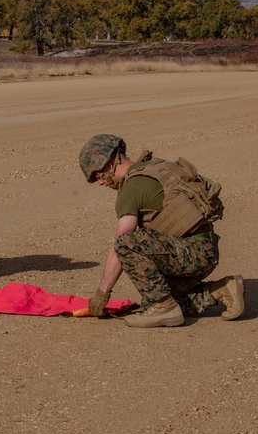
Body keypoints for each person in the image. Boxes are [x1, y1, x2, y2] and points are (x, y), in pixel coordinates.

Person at [78, 134, 244, 328]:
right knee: (155, 298)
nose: (100, 182)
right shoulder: (154, 167)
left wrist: (102, 294)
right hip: (204, 250)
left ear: (108, 164)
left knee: (126, 243)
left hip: (191, 253)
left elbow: (120, 245)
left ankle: (163, 308)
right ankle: (222, 289)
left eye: (97, 175)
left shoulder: (131, 188)